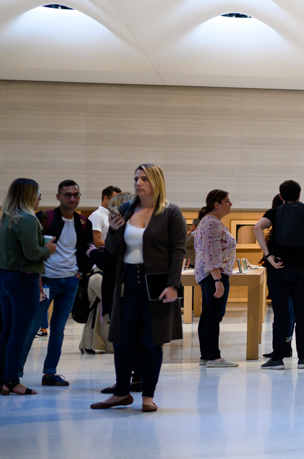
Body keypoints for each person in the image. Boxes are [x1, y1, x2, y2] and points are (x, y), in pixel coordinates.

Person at [90, 164, 185, 412]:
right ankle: (121, 392)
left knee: (152, 341)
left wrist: (173, 285)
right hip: (127, 282)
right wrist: (112, 229)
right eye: (136, 179)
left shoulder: (170, 212)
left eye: (144, 179)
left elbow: (178, 251)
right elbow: (112, 249)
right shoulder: (125, 208)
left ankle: (148, 396)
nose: (138, 183)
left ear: (156, 181)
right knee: (122, 340)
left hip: (156, 284)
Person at [253, 180, 304, 370]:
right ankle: (303, 358)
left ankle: (278, 358)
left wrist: (268, 256)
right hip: (302, 270)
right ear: (299, 195)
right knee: (301, 315)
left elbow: (257, 227)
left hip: (279, 270)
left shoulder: (274, 212)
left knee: (280, 315)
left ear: (280, 196)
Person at [27, 178, 93, 385]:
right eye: (67, 195)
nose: (72, 198)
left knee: (58, 329)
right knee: (31, 327)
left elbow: (87, 250)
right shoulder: (44, 217)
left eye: (76, 195)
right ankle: (12, 375)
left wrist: (80, 274)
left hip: (70, 282)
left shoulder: (83, 222)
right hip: (45, 281)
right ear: (58, 197)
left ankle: (50, 373)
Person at [0, 177, 56, 395]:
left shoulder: (6, 218)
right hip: (23, 280)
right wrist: (47, 249)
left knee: (6, 330)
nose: (40, 198)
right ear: (29, 196)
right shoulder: (28, 219)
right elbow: (32, 253)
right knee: (19, 332)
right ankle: (13, 380)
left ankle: (3, 380)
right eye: (38, 194)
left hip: (5, 278)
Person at [192, 189, 238, 368]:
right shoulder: (212, 223)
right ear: (216, 204)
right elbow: (212, 253)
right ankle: (214, 357)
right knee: (214, 316)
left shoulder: (209, 221)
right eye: (227, 201)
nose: (230, 204)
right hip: (213, 275)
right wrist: (218, 279)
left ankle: (207, 354)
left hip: (209, 274)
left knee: (208, 315)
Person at [89, 184, 120, 249]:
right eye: (115, 199)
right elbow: (95, 242)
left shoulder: (114, 215)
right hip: (101, 255)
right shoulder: (97, 215)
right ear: (105, 198)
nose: (118, 202)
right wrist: (116, 245)